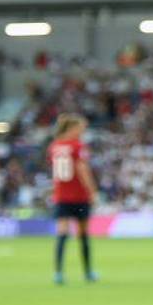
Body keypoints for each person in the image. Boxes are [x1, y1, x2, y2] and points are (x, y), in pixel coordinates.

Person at [47, 113, 99, 285]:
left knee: (62, 233)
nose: (82, 132)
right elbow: (82, 169)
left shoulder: (54, 146)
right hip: (79, 196)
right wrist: (92, 192)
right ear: (72, 128)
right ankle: (88, 272)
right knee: (83, 234)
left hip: (61, 196)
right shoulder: (77, 146)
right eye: (81, 128)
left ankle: (58, 273)